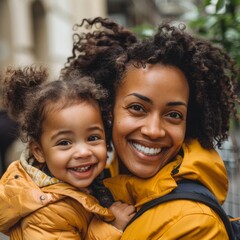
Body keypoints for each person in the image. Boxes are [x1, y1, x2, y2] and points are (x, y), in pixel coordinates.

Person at [61, 17, 240, 239]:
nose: (154, 130)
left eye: (174, 115)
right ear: (108, 110)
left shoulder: (194, 223)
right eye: (137, 108)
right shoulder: (99, 180)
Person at [0, 66, 135, 239]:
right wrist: (111, 228)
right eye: (64, 142)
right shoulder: (47, 212)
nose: (83, 152)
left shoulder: (89, 184)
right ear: (38, 151)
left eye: (93, 138)